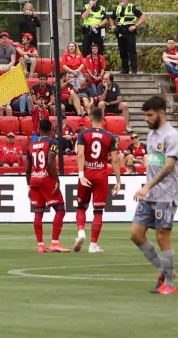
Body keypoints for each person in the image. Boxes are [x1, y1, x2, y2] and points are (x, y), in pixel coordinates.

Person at [132, 95, 178, 293]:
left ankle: (169, 284)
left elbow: (169, 166)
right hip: (149, 194)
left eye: (149, 115)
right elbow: (155, 162)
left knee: (163, 237)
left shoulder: (172, 136)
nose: (146, 119)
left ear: (161, 113)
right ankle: (165, 269)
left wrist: (147, 185)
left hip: (165, 195)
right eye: (145, 115)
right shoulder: (151, 135)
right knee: (136, 234)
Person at [74, 107, 123, 253]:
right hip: (101, 175)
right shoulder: (110, 137)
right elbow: (114, 160)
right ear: (103, 119)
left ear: (90, 118)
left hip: (87, 174)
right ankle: (93, 245)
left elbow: (80, 155)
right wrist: (118, 181)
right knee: (98, 211)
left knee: (82, 206)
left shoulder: (83, 134)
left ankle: (81, 231)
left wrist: (81, 175)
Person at [24, 119, 68, 253]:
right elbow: (50, 160)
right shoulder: (52, 142)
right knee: (60, 209)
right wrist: (57, 180)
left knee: (38, 213)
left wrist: (28, 186)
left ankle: (40, 245)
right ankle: (54, 242)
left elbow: (27, 169)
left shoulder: (30, 145)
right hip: (46, 179)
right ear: (51, 129)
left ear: (38, 128)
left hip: (34, 180)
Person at [114, 0, 143, 75]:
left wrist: (135, 26)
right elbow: (111, 18)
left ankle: (134, 70)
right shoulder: (117, 8)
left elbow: (142, 18)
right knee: (122, 52)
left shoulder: (132, 7)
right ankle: (125, 70)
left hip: (130, 33)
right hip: (120, 33)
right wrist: (112, 25)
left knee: (132, 51)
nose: (120, 1)